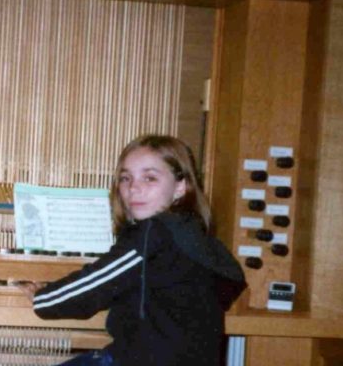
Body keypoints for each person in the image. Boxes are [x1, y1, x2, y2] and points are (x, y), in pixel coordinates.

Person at [19, 135, 246, 366]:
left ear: (180, 187)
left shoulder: (154, 233)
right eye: (126, 178)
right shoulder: (196, 238)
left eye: (150, 178)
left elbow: (93, 286)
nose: (133, 188)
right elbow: (145, 288)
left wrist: (43, 298)